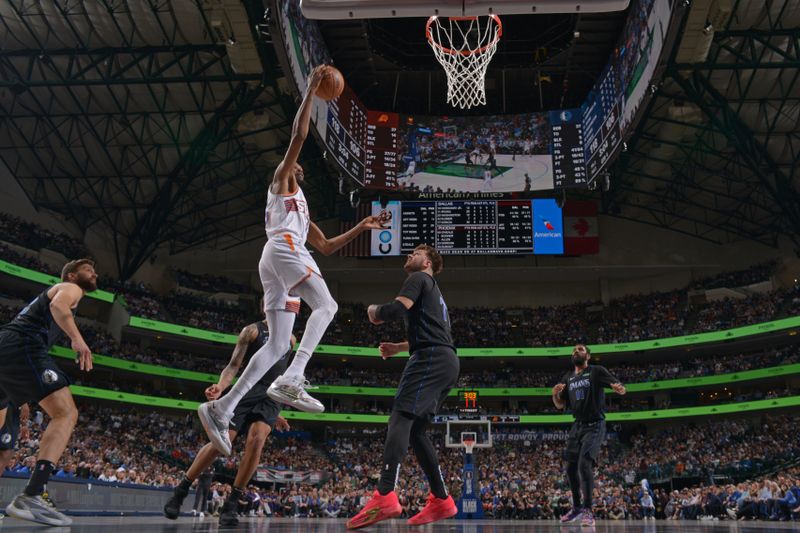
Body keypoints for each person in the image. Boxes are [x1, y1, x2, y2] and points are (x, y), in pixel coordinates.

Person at [197, 65, 387, 456]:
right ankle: (295, 376)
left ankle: (222, 407)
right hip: (282, 249)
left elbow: (329, 247)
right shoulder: (281, 181)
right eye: (294, 162)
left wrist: (363, 227)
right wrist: (312, 92)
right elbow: (299, 136)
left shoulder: (301, 209)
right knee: (328, 305)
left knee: (278, 343)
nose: (297, 164)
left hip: (277, 258)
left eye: (297, 164)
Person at [347, 245, 459, 529]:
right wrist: (399, 347)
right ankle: (442, 499)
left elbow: (395, 309)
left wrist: (374, 311)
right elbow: (435, 333)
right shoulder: (434, 291)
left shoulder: (419, 278)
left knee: (400, 416)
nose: (410, 255)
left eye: (417, 252)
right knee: (417, 431)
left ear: (428, 262)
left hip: (430, 358)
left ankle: (385, 494)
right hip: (445, 360)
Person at [165, 305, 295, 526]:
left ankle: (232, 502)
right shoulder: (252, 331)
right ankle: (182, 489)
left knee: (258, 440)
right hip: (246, 390)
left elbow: (281, 375)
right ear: (266, 306)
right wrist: (221, 387)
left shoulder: (291, 339)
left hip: (270, 396)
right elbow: (234, 365)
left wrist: (278, 412)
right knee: (219, 444)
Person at [0, 259, 97, 526]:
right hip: (22, 344)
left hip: (6, 348)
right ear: (73, 274)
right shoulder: (70, 287)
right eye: (89, 269)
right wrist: (77, 339)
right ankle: (31, 494)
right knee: (65, 413)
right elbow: (58, 305)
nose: (95, 273)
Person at [552, 344, 626, 526]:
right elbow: (560, 406)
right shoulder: (568, 378)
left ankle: (588, 511)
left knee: (584, 465)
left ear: (588, 356)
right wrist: (554, 396)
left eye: (581, 349)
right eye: (574, 350)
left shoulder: (596, 371)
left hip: (595, 425)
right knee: (570, 468)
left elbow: (617, 385)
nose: (577, 351)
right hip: (577, 426)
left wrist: (620, 388)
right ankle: (576, 508)